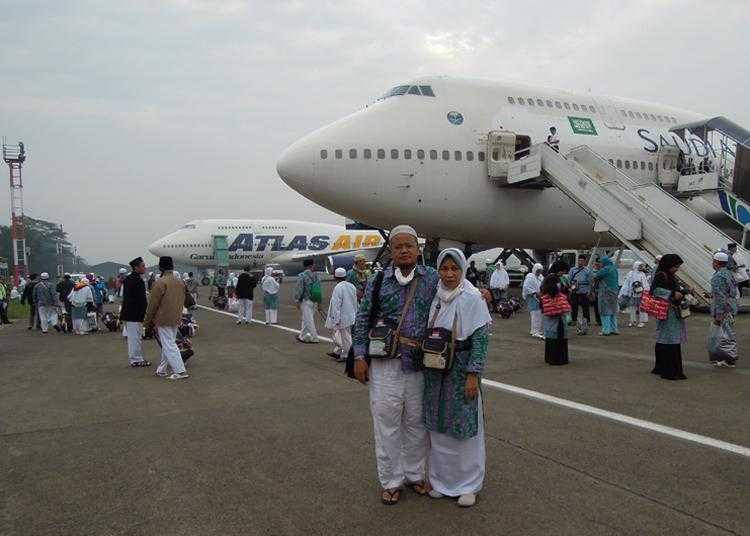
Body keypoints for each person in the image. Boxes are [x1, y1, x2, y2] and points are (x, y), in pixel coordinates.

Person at [352, 224, 439, 505]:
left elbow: (457, 288)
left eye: (408, 246)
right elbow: (363, 319)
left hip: (418, 364)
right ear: (391, 250)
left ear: (418, 250)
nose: (403, 250)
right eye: (398, 246)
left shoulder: (431, 278)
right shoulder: (378, 281)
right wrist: (359, 357)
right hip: (384, 365)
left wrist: (481, 294)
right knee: (387, 424)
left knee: (416, 423)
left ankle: (414, 475)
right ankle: (390, 480)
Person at [423, 248, 491, 508]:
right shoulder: (435, 296)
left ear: (463, 270)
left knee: (464, 430)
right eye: (444, 268)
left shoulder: (472, 298)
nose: (449, 274)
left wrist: (473, 375)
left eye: (454, 269)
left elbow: (481, 340)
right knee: (438, 427)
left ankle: (468, 485)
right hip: (435, 369)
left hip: (461, 369)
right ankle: (441, 482)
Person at [144, 256, 189, 380]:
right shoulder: (180, 282)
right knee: (168, 343)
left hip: (163, 318)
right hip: (176, 317)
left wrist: (147, 322)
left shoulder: (160, 282)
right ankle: (162, 370)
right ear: (172, 267)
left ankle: (180, 371)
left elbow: (153, 305)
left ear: (160, 267)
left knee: (169, 345)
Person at [650, 254, 688, 380]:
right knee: (670, 340)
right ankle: (669, 371)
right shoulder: (661, 275)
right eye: (675, 267)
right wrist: (672, 293)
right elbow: (655, 291)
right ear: (669, 265)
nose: (676, 269)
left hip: (672, 312)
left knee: (668, 339)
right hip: (668, 312)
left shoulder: (669, 275)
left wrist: (684, 292)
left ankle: (664, 368)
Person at [709, 252, 739, 368]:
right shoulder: (729, 273)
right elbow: (733, 291)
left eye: (713, 261)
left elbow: (720, 296)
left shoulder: (718, 276)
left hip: (724, 309)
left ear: (716, 262)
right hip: (731, 306)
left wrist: (720, 313)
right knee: (727, 332)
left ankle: (729, 359)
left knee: (724, 334)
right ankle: (726, 357)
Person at [120, 257, 150, 367]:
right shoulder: (136, 280)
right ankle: (136, 359)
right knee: (134, 338)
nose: (144, 267)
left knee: (136, 337)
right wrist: (146, 313)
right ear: (136, 267)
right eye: (142, 266)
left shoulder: (131, 278)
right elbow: (141, 300)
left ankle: (137, 358)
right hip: (134, 314)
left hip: (131, 313)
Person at [325, 267, 358, 362]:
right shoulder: (351, 286)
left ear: (335, 277)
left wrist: (336, 319)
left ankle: (348, 355)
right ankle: (338, 351)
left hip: (342, 317)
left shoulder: (338, 287)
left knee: (345, 337)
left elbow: (336, 305)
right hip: (352, 315)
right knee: (339, 335)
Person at [540, 273, 571, 366]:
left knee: (550, 339)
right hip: (559, 320)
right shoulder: (559, 295)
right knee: (560, 339)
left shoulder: (544, 295)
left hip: (548, 320)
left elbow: (542, 308)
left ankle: (549, 358)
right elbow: (565, 307)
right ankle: (560, 359)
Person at [294, 259, 321, 343]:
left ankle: (314, 337)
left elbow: (299, 289)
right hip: (315, 300)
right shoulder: (317, 275)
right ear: (311, 265)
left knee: (309, 320)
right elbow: (319, 289)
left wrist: (297, 300)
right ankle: (302, 335)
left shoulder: (301, 275)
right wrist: (319, 301)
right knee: (306, 319)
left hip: (306, 300)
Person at [593, 256, 619, 336]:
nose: (600, 264)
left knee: (605, 311)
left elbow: (595, 276)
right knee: (613, 311)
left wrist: (595, 269)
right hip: (614, 292)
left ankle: (606, 330)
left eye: (600, 262)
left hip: (605, 292)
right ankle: (614, 329)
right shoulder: (614, 268)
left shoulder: (605, 269)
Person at [619, 261, 649, 328]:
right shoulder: (630, 274)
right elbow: (627, 283)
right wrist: (625, 291)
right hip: (632, 293)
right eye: (640, 266)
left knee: (641, 308)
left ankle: (642, 321)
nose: (641, 267)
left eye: (641, 266)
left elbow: (645, 284)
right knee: (632, 307)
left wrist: (645, 291)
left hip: (641, 294)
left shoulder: (642, 274)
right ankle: (632, 321)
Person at [568, 255, 591, 330]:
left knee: (585, 306)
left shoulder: (587, 270)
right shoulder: (573, 270)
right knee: (574, 306)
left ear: (585, 262)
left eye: (582, 261)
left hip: (584, 290)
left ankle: (587, 321)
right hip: (575, 290)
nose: (580, 262)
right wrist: (571, 287)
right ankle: (574, 320)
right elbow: (569, 279)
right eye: (579, 260)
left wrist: (589, 291)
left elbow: (590, 281)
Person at [522, 263, 544, 338]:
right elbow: (526, 287)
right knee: (535, 314)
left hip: (539, 298)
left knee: (540, 314)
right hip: (532, 298)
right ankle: (535, 331)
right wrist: (534, 292)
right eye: (538, 270)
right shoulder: (530, 277)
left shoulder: (541, 277)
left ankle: (537, 330)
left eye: (540, 271)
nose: (539, 272)